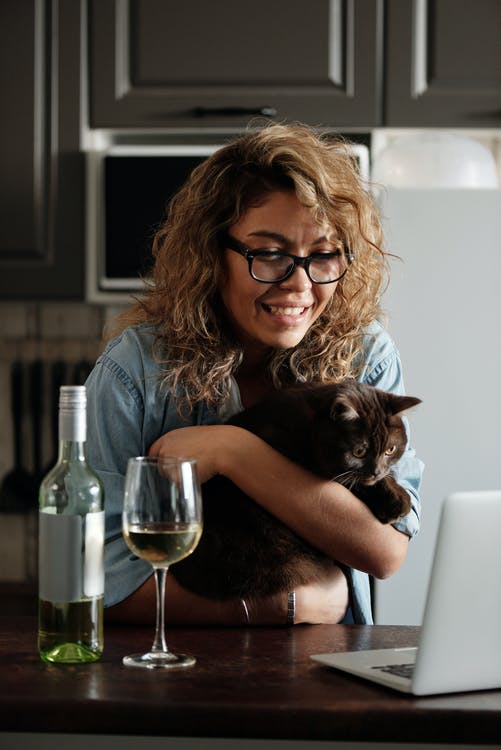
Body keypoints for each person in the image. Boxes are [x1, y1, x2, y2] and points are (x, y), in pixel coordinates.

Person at [85, 123, 423, 626]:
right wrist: (286, 606)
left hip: (326, 676)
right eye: (269, 254)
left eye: (324, 255)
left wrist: (233, 452)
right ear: (210, 254)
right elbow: (95, 581)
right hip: (175, 675)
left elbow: (384, 552)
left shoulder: (365, 352)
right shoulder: (135, 368)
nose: (299, 283)